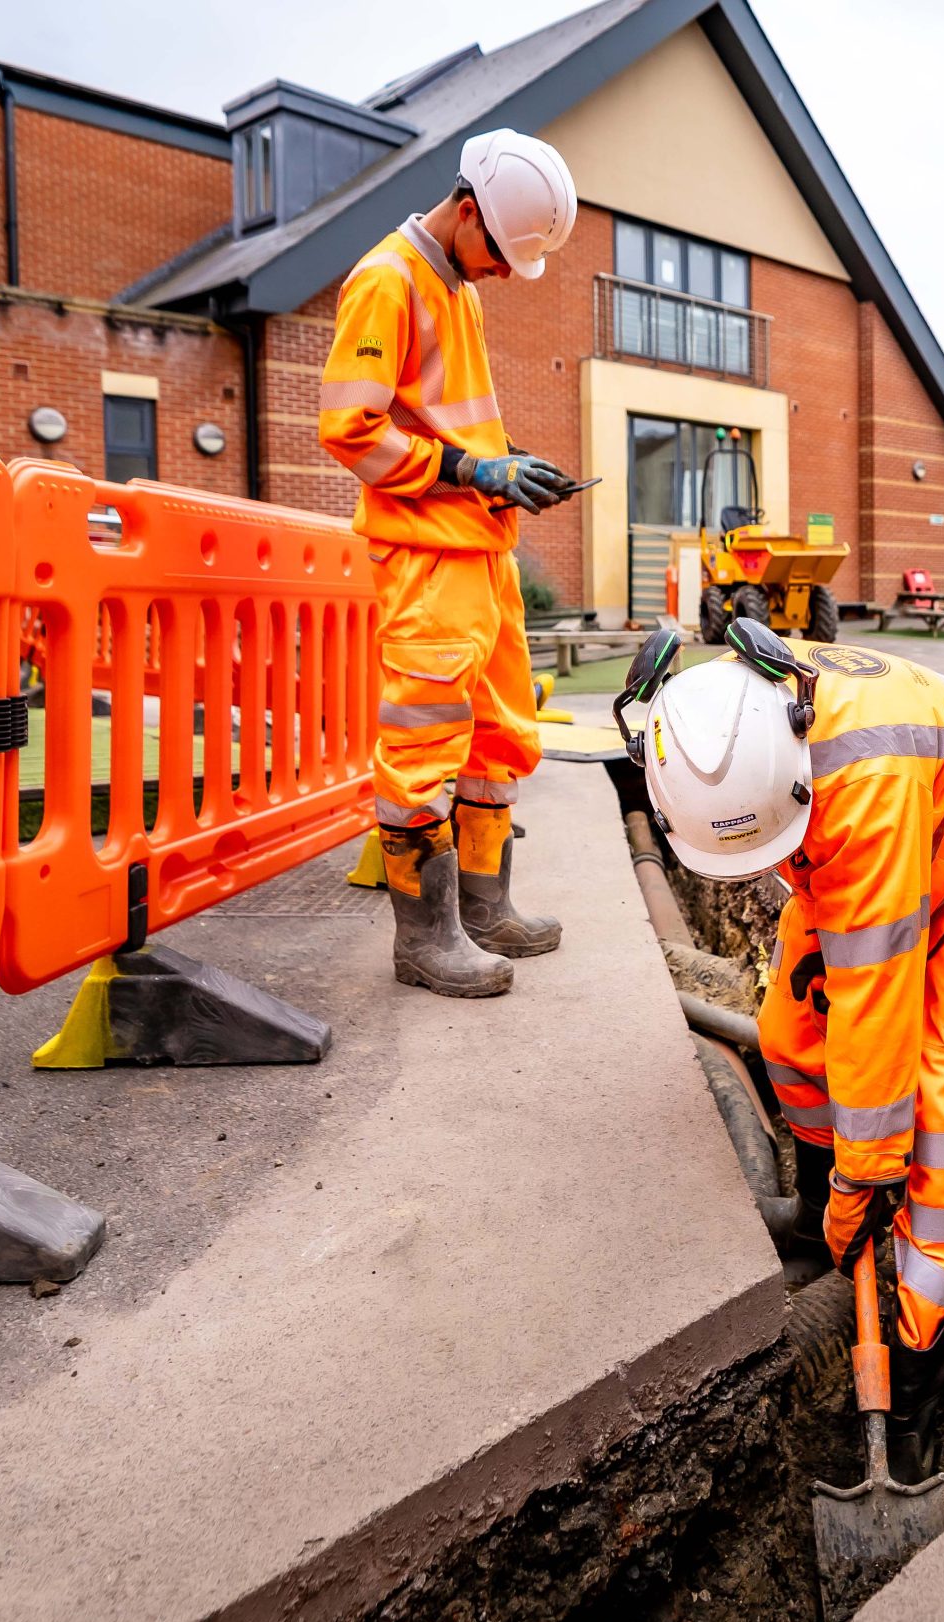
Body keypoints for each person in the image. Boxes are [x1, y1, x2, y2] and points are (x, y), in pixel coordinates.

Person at [627, 622, 944, 1484]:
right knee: (786, 1031)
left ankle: (923, 1346)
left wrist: (869, 1169)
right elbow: (849, 987)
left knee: (943, 1102)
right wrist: (842, 1184)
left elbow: (880, 1005)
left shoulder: (862, 782)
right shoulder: (729, 716)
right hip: (844, 852)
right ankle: (826, 1220)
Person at [319, 129, 580, 999]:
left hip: (481, 546)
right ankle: (424, 939)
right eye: (500, 254)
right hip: (429, 553)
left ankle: (482, 904)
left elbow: (451, 418)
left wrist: (511, 461)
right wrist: (474, 469)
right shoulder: (386, 280)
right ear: (467, 211)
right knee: (423, 742)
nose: (505, 272)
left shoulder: (455, 284)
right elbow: (349, 429)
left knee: (499, 734)